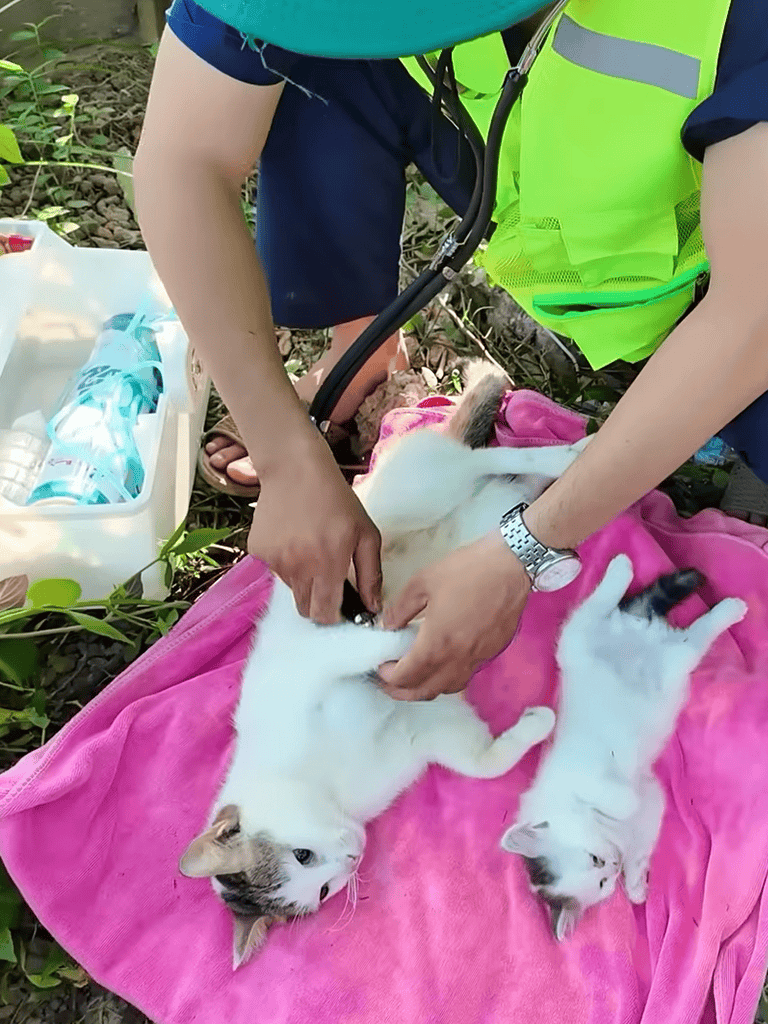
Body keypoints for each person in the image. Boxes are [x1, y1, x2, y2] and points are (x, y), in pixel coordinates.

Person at [132, 0, 768, 701]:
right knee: (303, 49)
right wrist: (283, 452)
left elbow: (754, 310)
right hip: (544, 164)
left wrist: (526, 547)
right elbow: (182, 157)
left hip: (717, 269)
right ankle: (360, 357)